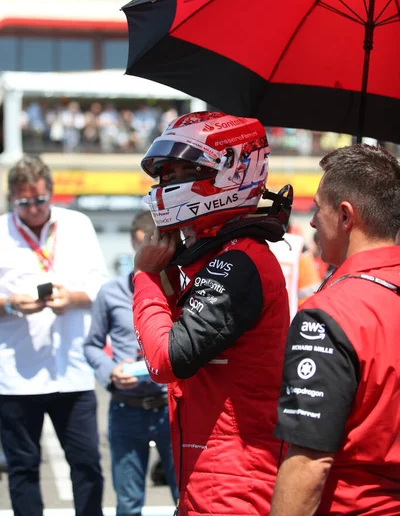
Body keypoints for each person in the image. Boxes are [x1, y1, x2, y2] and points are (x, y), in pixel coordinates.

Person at [132, 111, 292, 515]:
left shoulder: (239, 262)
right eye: (165, 173)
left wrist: (146, 276)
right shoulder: (220, 257)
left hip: (234, 483)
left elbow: (166, 360)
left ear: (231, 172)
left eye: (184, 171)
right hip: (210, 475)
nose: (167, 184)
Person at [271, 144, 400, 516]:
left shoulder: (331, 312)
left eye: (317, 208)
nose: (311, 222)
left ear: (345, 215)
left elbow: (309, 463)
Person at [0, 154, 108, 516]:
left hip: (72, 372)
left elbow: (100, 287)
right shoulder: (1, 231)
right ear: (12, 198)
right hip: (16, 376)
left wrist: (73, 298)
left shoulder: (77, 225)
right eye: (24, 202)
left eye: (40, 200)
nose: (33, 209)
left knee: (88, 465)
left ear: (52, 192)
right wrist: (11, 304)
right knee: (23, 468)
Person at [84, 210, 178, 516]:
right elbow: (92, 345)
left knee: (185, 496)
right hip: (126, 408)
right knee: (127, 502)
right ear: (132, 243)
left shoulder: (179, 293)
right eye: (142, 246)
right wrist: (109, 372)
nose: (149, 254)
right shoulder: (111, 293)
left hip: (169, 408)